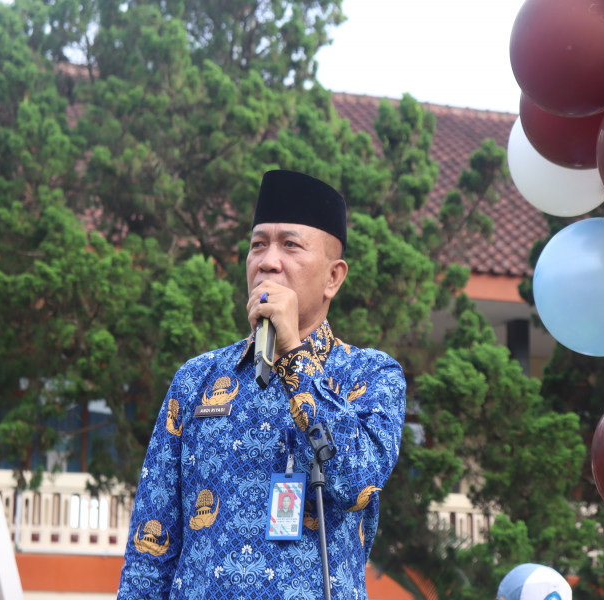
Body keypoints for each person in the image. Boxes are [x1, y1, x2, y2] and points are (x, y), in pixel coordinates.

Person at [117, 169, 407, 600]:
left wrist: (293, 357)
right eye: (258, 245)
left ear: (333, 277)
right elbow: (150, 547)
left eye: (290, 245)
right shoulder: (196, 380)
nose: (268, 261)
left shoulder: (370, 376)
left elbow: (356, 482)